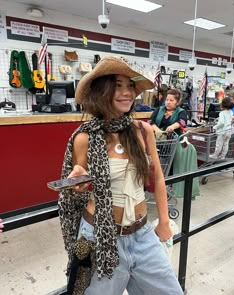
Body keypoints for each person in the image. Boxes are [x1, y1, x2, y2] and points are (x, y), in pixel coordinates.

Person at [58, 56, 183, 295]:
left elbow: (157, 178)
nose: (127, 92)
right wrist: (77, 184)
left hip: (143, 233)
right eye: (118, 85)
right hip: (98, 238)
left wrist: (164, 222)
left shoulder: (142, 130)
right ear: (102, 91)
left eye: (129, 86)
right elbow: (76, 187)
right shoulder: (84, 137)